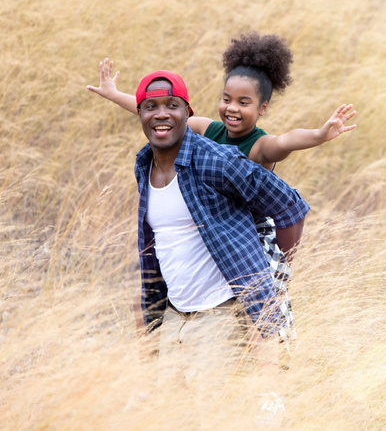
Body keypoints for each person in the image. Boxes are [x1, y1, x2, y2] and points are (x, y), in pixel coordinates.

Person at [87, 32, 356, 346]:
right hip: (215, 228)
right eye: (226, 99)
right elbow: (162, 115)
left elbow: (286, 141)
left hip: (250, 234)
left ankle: (270, 383)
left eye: (244, 103)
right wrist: (113, 93)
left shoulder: (259, 145)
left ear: (263, 108)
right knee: (142, 299)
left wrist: (320, 135)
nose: (232, 109)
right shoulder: (208, 128)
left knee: (261, 315)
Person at [130, 69, 309, 409]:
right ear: (139, 114)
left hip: (218, 317)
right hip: (173, 316)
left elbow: (290, 206)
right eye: (151, 106)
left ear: (188, 113)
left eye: (172, 105)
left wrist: (277, 267)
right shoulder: (144, 164)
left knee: (217, 418)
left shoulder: (217, 159)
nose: (162, 113)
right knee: (169, 416)